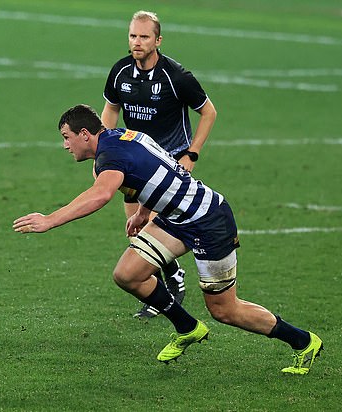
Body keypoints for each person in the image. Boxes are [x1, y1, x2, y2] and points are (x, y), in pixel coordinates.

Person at [13, 104, 322, 374]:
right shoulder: (122, 136)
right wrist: (144, 212)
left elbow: (101, 195)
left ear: (84, 134)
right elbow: (154, 169)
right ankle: (187, 327)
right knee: (128, 274)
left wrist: (49, 220)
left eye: (66, 137)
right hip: (176, 218)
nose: (65, 145)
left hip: (208, 221)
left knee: (225, 310)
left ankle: (303, 341)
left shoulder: (110, 156)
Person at [102, 10, 217, 318]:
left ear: (157, 40)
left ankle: (165, 290)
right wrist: (106, 147)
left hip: (169, 163)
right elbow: (111, 109)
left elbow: (209, 112)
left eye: (144, 37)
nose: (137, 42)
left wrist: (191, 154)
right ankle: (174, 276)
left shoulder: (176, 76)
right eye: (133, 36)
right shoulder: (120, 72)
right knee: (135, 232)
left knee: (152, 226)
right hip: (132, 161)